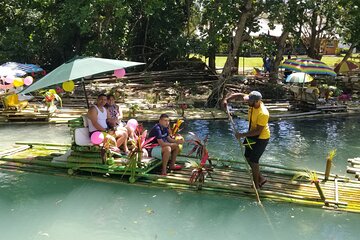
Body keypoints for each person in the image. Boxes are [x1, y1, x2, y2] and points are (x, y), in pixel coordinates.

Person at [222, 91, 270, 189]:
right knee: (247, 157)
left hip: (261, 137)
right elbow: (240, 95)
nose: (247, 102)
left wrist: (242, 135)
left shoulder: (263, 113)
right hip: (251, 134)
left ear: (256, 101)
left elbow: (258, 131)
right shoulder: (252, 101)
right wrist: (227, 99)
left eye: (249, 101)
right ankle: (261, 178)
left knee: (253, 160)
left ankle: (256, 185)